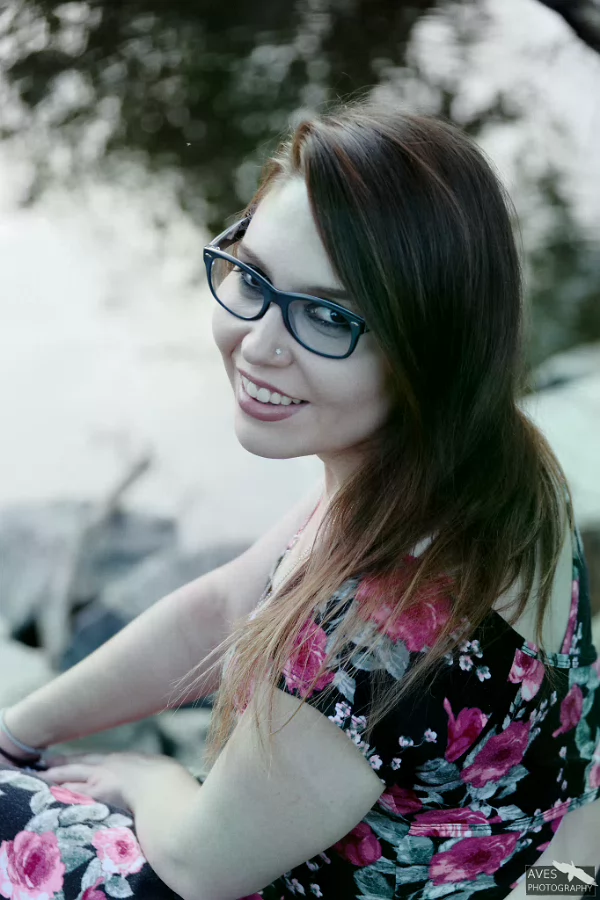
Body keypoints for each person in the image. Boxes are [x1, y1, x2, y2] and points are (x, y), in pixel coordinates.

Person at [1, 95, 599, 900]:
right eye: (252, 276)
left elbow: (202, 868)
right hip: (553, 866)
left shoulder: (386, 628)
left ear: (429, 342)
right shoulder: (490, 462)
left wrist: (148, 777)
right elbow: (224, 607)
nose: (258, 343)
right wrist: (19, 729)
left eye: (325, 315)